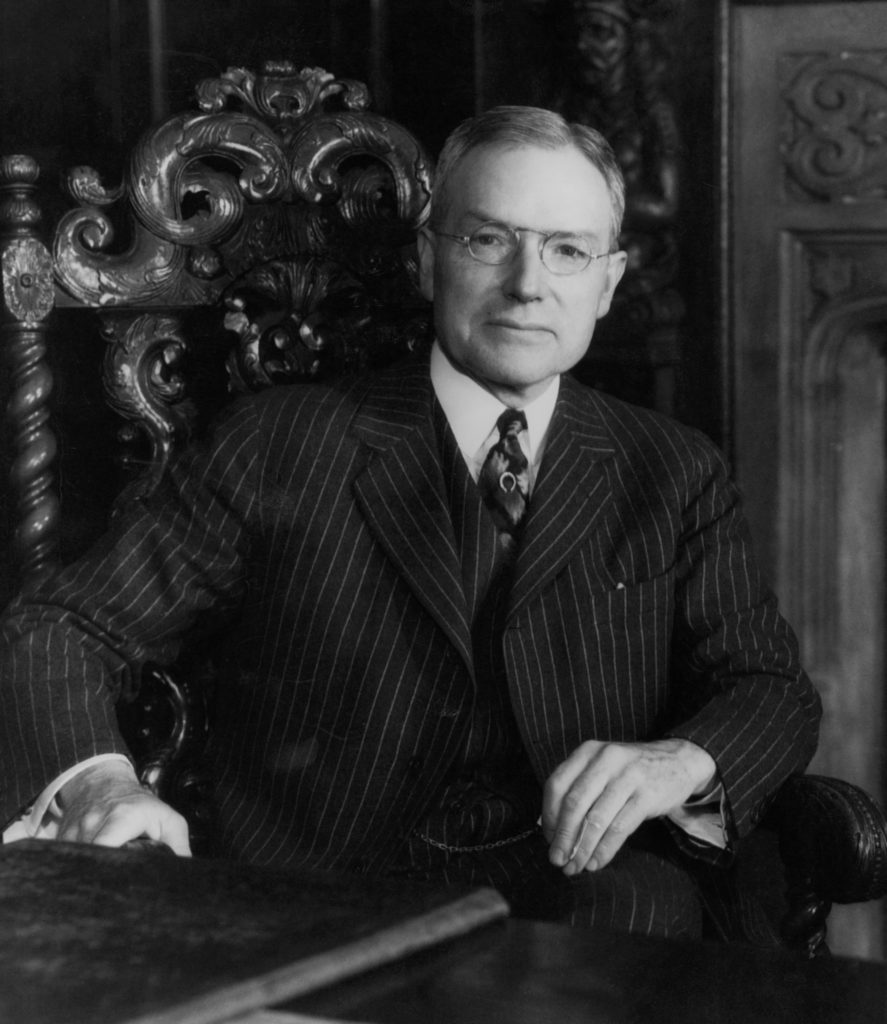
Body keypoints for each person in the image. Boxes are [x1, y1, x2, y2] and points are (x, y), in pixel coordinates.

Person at [0, 106, 820, 939]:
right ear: (428, 261)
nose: (528, 283)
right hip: (324, 903)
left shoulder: (671, 470)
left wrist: (680, 761)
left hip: (591, 903)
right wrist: (105, 785)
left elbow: (767, 685)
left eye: (567, 250)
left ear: (605, 284)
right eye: (489, 241)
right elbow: (60, 625)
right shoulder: (281, 442)